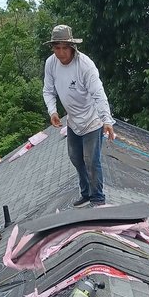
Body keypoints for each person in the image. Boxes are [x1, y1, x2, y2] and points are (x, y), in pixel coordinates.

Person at [43, 24, 115, 207]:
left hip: (92, 120)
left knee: (91, 160)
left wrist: (106, 120)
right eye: (57, 48)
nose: (60, 53)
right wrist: (53, 111)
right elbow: (48, 90)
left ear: (72, 47)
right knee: (75, 157)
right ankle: (86, 192)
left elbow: (98, 93)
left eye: (64, 48)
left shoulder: (84, 65)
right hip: (73, 120)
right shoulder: (51, 63)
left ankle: (98, 198)